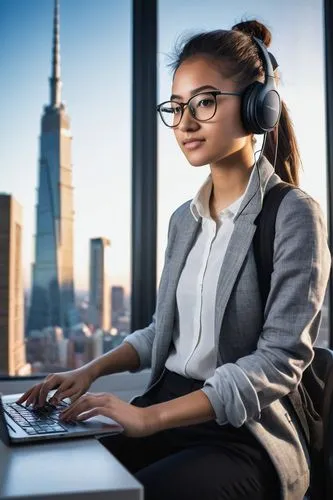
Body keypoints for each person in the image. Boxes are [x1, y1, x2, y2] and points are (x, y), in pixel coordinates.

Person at [18, 19, 331, 500]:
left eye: (204, 102)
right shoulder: (183, 221)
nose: (184, 123)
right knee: (59, 470)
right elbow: (162, 330)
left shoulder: (292, 215)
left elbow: (279, 360)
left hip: (244, 434)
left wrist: (150, 418)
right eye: (176, 107)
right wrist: (89, 371)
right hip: (165, 407)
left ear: (257, 107)